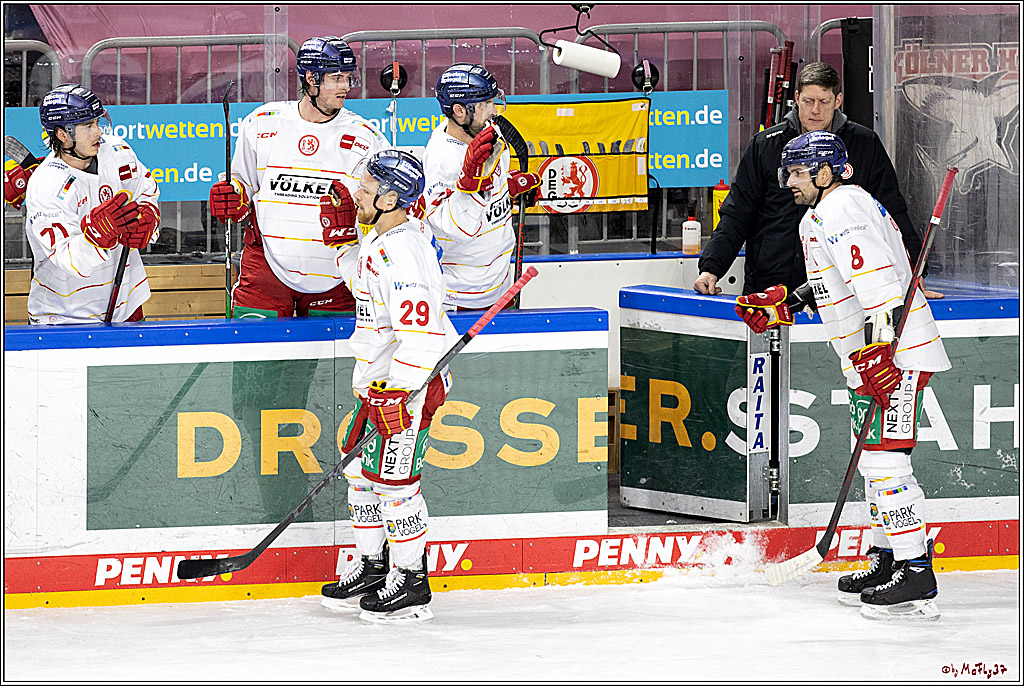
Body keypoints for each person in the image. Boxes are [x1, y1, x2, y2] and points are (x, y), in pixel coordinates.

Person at [735, 131, 951, 620]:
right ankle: (887, 558)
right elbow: (838, 283)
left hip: (894, 357)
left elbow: (882, 289)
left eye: (795, 172)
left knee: (884, 466)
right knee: (875, 467)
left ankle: (916, 571)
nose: (788, 181)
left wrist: (882, 355)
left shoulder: (842, 210)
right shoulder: (827, 211)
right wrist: (789, 304)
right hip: (870, 358)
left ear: (825, 171)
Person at [319, 149, 458, 623]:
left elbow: (422, 336)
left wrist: (398, 392)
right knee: (361, 475)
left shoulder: (403, 251)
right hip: (378, 383)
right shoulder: (382, 240)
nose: (356, 191)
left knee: (395, 485)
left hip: (407, 387)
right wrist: (342, 244)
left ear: (391, 196)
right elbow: (362, 281)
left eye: (366, 185)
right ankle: (375, 566)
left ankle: (412, 580)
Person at [695, 61, 944, 300]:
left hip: (842, 290)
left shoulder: (864, 144)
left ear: (838, 100)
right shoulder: (766, 145)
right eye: (808, 101)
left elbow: (891, 212)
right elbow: (737, 213)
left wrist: (914, 272)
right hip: (770, 287)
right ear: (796, 99)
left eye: (824, 101)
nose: (815, 110)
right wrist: (711, 267)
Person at [208, 36, 386, 318]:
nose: (345, 87)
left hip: (337, 274)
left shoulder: (366, 137)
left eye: (348, 78)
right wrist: (234, 197)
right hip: (267, 268)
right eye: (336, 78)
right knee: (254, 358)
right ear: (311, 78)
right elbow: (242, 185)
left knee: (335, 363)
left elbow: (379, 209)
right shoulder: (263, 122)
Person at [22, 84, 159, 324]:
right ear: (62, 134)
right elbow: (66, 258)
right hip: (66, 316)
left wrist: (148, 219)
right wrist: (95, 236)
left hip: (126, 304)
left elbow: (146, 192)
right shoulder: (45, 185)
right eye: (88, 126)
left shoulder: (118, 151)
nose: (98, 132)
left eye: (97, 122)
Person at [418, 63, 540, 311]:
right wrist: (471, 184)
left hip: (501, 284)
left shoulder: (487, 131)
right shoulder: (443, 159)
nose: (494, 111)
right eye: (485, 105)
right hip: (459, 297)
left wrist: (509, 190)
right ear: (460, 111)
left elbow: (492, 186)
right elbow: (454, 228)